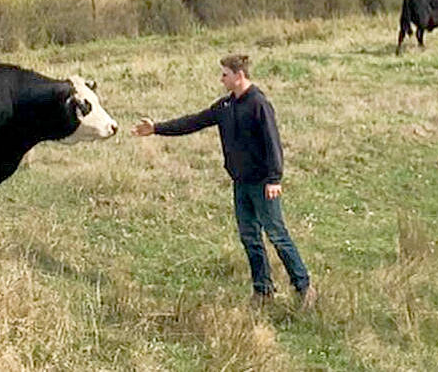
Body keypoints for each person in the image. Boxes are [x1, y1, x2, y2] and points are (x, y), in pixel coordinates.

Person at [133, 54, 317, 310]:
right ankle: (263, 290)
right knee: (249, 237)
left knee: (277, 235)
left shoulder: (259, 104)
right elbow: (194, 121)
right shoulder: (225, 107)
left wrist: (274, 178)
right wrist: (157, 128)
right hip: (240, 184)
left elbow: (272, 142)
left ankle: (304, 287)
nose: (221, 79)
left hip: (263, 184)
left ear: (238, 75)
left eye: (224, 75)